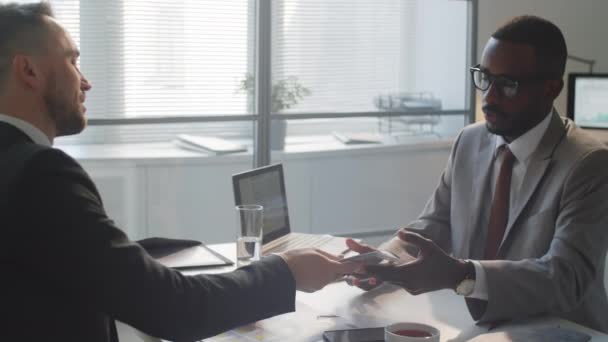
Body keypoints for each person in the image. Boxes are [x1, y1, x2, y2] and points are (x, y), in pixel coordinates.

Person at [0, 3, 361, 341]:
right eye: (72, 61)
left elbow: (42, 258)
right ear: (28, 70)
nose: (85, 81)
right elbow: (176, 310)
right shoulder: (40, 173)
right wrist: (288, 271)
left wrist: (137, 258)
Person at [347, 15, 608, 333]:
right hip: (474, 322)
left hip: (559, 329)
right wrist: (383, 260)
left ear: (552, 88)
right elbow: (434, 225)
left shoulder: (589, 164)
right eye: (484, 77)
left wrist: (461, 275)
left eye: (508, 84)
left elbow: (566, 278)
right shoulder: (469, 140)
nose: (490, 97)